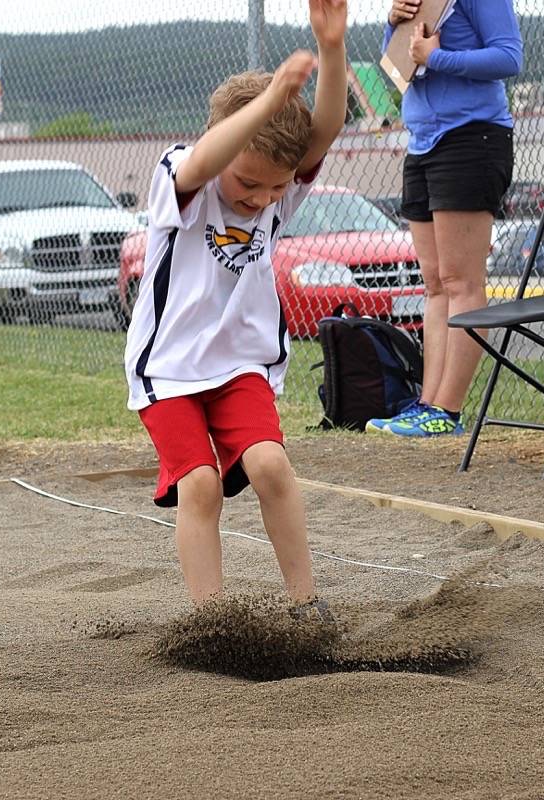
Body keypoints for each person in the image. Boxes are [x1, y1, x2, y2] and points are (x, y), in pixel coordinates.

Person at [123, 0, 347, 613]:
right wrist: (270, 99)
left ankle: (306, 605)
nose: (262, 199)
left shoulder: (276, 191)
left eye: (276, 188)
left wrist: (331, 49)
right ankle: (213, 620)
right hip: (168, 369)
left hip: (240, 363)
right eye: (248, 184)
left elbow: (322, 129)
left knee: (271, 464)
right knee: (200, 485)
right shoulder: (182, 179)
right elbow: (208, 159)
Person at [367, 0, 523, 437]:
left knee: (461, 281)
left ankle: (447, 411)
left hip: (472, 138)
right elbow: (398, 69)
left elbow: (508, 56)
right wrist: (392, 24)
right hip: (422, 142)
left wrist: (436, 57)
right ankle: (426, 404)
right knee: (434, 283)